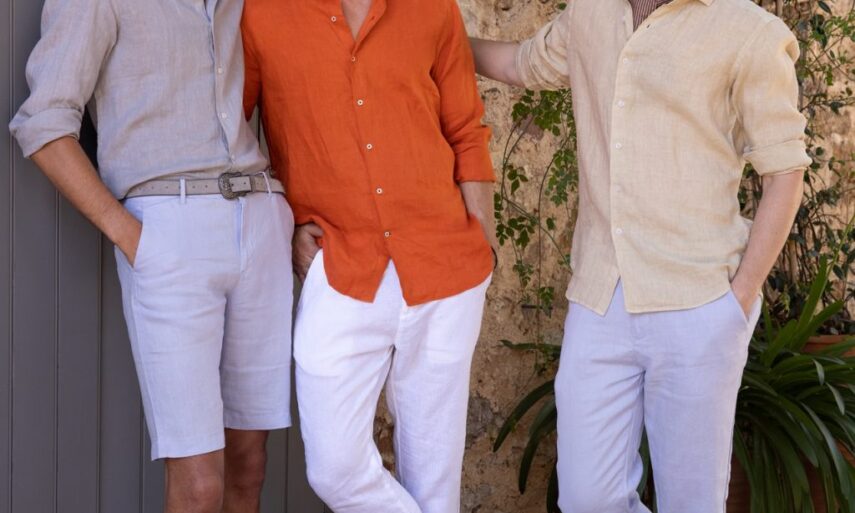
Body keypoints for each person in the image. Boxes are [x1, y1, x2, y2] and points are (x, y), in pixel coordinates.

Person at [470, 0, 810, 511]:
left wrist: (739, 298)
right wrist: (439, 37)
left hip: (698, 300)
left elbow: (785, 171)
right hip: (600, 295)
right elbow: (522, 63)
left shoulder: (748, 29)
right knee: (586, 498)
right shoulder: (590, 12)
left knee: (691, 503)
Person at [9, 1, 294, 512]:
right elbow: (43, 123)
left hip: (260, 218)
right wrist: (132, 236)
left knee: (249, 465)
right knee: (200, 485)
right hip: (170, 227)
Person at [241, 0, 497, 511]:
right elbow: (234, 138)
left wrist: (484, 244)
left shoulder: (432, 8)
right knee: (334, 469)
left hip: (445, 265)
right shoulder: (262, 14)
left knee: (434, 483)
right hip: (340, 263)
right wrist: (284, 222)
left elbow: (466, 130)